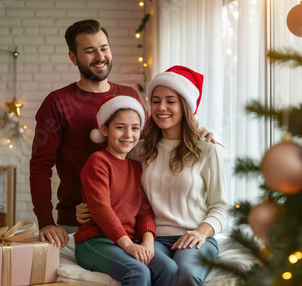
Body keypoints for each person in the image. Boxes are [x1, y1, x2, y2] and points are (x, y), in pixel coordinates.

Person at [30, 19, 215, 248]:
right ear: (73, 57)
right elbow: (40, 166)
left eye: (104, 48)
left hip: (131, 224)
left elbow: (157, 140)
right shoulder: (57, 102)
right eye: (89, 51)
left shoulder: (129, 96)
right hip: (80, 221)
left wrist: (197, 132)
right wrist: (46, 222)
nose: (100, 56)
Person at [78, 65, 229, 285]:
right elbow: (121, 191)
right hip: (152, 238)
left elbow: (221, 207)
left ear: (185, 105)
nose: (161, 107)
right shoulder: (138, 150)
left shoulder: (208, 150)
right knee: (164, 269)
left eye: (170, 101)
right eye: (156, 100)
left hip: (194, 236)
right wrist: (86, 205)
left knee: (185, 274)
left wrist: (201, 232)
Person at [74, 95, 176, 286]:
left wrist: (147, 242)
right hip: (94, 242)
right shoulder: (98, 162)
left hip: (128, 241)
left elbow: (144, 212)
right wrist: (129, 246)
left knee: (169, 268)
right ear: (105, 129)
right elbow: (101, 209)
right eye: (120, 127)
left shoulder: (136, 167)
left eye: (135, 128)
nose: (128, 135)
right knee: (137, 272)